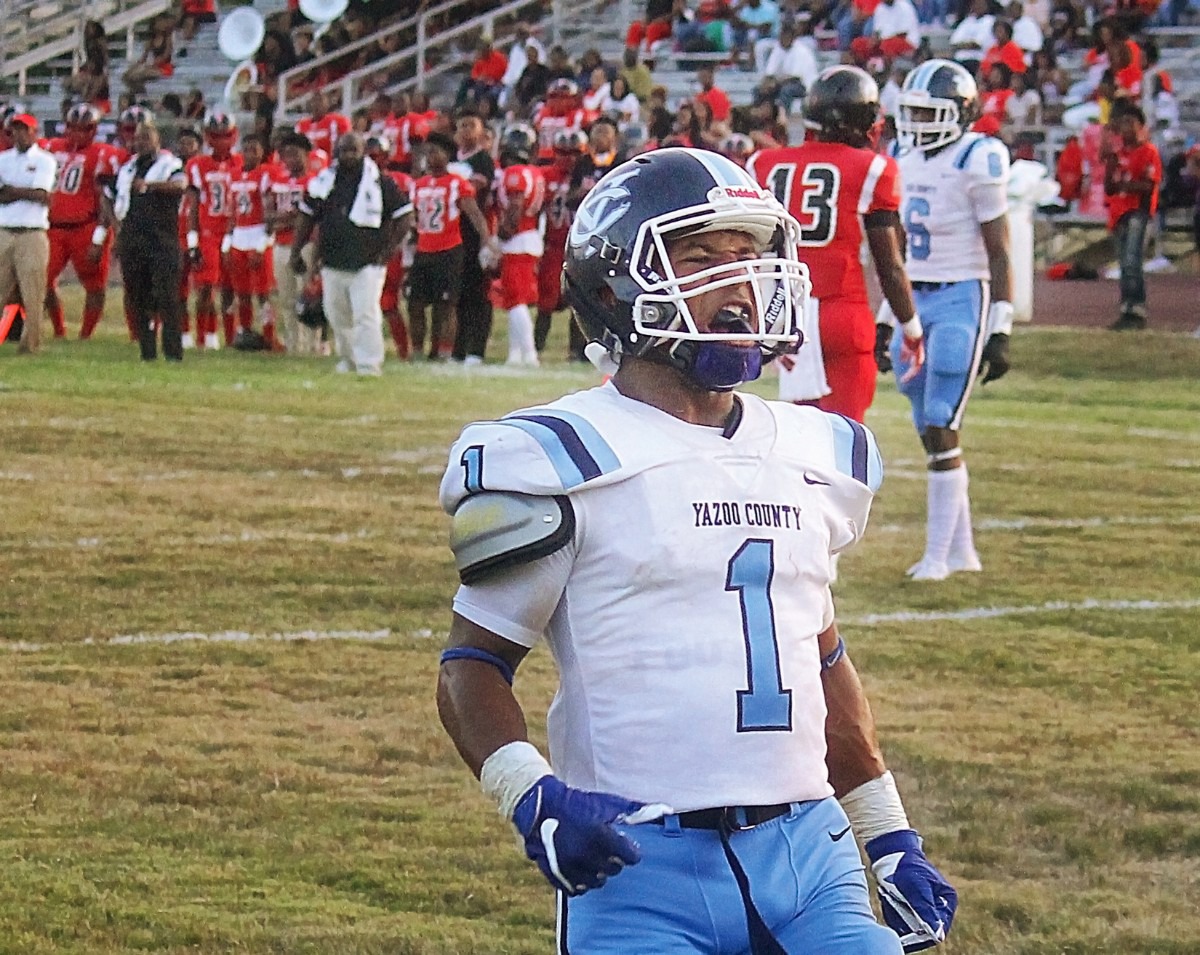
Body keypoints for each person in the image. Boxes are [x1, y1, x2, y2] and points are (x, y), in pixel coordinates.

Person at [435, 146, 958, 955]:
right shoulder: (560, 455)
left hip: (811, 854)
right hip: (638, 863)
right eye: (701, 258)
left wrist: (886, 828)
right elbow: (473, 664)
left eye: (748, 258)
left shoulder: (816, 451)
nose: (739, 283)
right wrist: (528, 794)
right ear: (616, 286)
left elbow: (819, 657)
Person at [891, 59, 1014, 581]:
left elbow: (1001, 252)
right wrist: (886, 316)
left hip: (962, 295)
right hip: (913, 298)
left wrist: (1002, 326)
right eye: (912, 111)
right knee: (927, 424)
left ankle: (937, 557)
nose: (916, 122)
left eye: (928, 112)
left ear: (960, 114)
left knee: (942, 417)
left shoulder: (978, 157)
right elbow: (896, 251)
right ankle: (962, 551)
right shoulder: (900, 154)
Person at [748, 66, 924, 424]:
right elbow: (889, 265)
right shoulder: (871, 167)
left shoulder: (763, 163)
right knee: (844, 444)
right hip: (842, 310)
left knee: (803, 447)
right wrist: (911, 328)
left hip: (786, 314)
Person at [291, 132, 411, 376]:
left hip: (368, 260)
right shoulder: (325, 181)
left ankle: (369, 364)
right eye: (343, 151)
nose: (348, 156)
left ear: (363, 152)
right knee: (336, 314)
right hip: (332, 260)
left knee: (365, 313)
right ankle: (348, 358)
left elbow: (405, 216)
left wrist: (388, 250)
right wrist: (297, 251)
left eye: (353, 151)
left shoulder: (380, 182)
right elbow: (306, 216)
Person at [102, 119, 186, 361]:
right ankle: (147, 350)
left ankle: (172, 351)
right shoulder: (127, 167)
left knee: (167, 295)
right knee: (137, 295)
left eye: (146, 138)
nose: (140, 142)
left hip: (161, 236)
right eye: (138, 138)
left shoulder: (169, 163)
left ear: (157, 140)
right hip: (132, 235)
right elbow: (106, 196)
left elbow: (180, 185)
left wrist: (150, 186)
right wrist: (116, 227)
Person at [405, 131, 492, 361]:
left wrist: (486, 240)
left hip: (449, 250)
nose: (431, 157)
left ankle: (444, 353)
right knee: (415, 303)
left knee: (446, 305)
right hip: (423, 249)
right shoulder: (419, 184)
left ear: (447, 156)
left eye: (436, 152)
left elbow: (474, 213)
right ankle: (416, 352)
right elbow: (413, 217)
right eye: (428, 152)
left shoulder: (457, 183)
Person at [44, 103, 121, 340]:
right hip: (53, 226)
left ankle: (86, 335)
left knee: (95, 285)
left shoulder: (103, 153)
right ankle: (59, 330)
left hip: (85, 226)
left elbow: (107, 197)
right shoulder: (50, 146)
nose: (77, 133)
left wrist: (100, 235)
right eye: (73, 128)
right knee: (42, 280)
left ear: (94, 130)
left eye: (84, 129)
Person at [185, 111, 242, 348]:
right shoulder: (197, 164)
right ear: (207, 138)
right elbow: (193, 206)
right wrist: (192, 241)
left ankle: (230, 337)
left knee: (231, 288)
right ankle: (205, 335)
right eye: (215, 136)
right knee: (205, 287)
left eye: (225, 135)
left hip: (235, 232)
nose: (221, 141)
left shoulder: (241, 162)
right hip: (209, 232)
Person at [0, 113, 56, 355]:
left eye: (24, 130)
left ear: (34, 132)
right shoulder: (3, 159)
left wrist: (12, 192)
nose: (19, 135)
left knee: (32, 292)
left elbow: (42, 195)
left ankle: (30, 345)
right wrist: (22, 192)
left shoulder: (45, 160)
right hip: (5, 228)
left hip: (32, 230)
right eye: (15, 130)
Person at [1104, 103, 1161, 331]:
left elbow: (1148, 185)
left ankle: (1136, 309)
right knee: (1124, 263)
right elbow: (1109, 187)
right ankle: (1126, 308)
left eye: (1132, 123)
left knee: (1132, 261)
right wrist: (1109, 163)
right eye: (1123, 123)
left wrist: (1124, 185)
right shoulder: (1118, 155)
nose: (1127, 128)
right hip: (1119, 213)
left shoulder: (1148, 152)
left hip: (1138, 211)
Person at [492, 125, 545, 367]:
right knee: (516, 300)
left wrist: (499, 238)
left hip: (518, 240)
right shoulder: (535, 172)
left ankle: (529, 354)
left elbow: (514, 210)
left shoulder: (515, 172)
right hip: (530, 236)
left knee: (516, 300)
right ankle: (515, 354)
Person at [449, 107, 497, 364]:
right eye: (462, 125)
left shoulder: (483, 161)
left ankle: (476, 349)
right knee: (458, 294)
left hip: (474, 231)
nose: (466, 130)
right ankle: (457, 347)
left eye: (471, 125)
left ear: (481, 131)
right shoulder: (449, 157)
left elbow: (471, 194)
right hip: (450, 231)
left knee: (478, 292)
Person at [266, 131, 319, 354]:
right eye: (286, 155)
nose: (291, 160)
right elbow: (268, 214)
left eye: (296, 154)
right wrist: (290, 218)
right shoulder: (278, 181)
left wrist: (288, 218)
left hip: (306, 244)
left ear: (307, 156)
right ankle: (292, 343)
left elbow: (310, 216)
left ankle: (311, 345)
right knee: (286, 297)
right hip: (281, 243)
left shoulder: (314, 181)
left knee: (305, 295)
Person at [225, 133, 278, 349]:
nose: (250, 154)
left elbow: (270, 211)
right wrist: (227, 243)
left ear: (262, 152)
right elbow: (232, 211)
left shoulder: (265, 174)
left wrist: (263, 242)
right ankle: (245, 333)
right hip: (239, 236)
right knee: (242, 292)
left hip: (257, 235)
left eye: (255, 149)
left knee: (263, 293)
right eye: (246, 149)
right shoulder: (234, 175)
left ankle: (269, 336)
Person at [535, 129, 585, 357]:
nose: (570, 158)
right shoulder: (545, 176)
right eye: (564, 153)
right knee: (546, 300)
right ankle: (537, 347)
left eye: (575, 153)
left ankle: (576, 350)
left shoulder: (589, 176)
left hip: (580, 247)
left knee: (581, 300)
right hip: (554, 245)